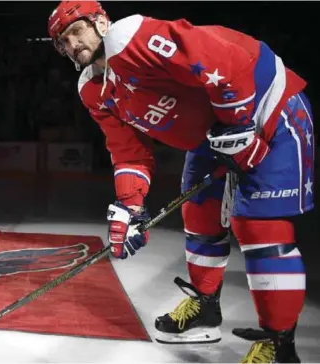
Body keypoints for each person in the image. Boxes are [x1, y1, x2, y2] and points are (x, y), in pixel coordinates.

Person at [47, 1, 313, 362]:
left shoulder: (130, 38)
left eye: (76, 31)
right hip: (214, 133)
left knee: (260, 230)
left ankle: (280, 345)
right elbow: (129, 153)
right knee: (199, 216)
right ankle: (206, 308)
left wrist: (238, 126)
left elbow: (223, 62)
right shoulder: (93, 90)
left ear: (100, 21)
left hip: (268, 110)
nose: (71, 43)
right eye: (63, 42)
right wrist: (130, 206)